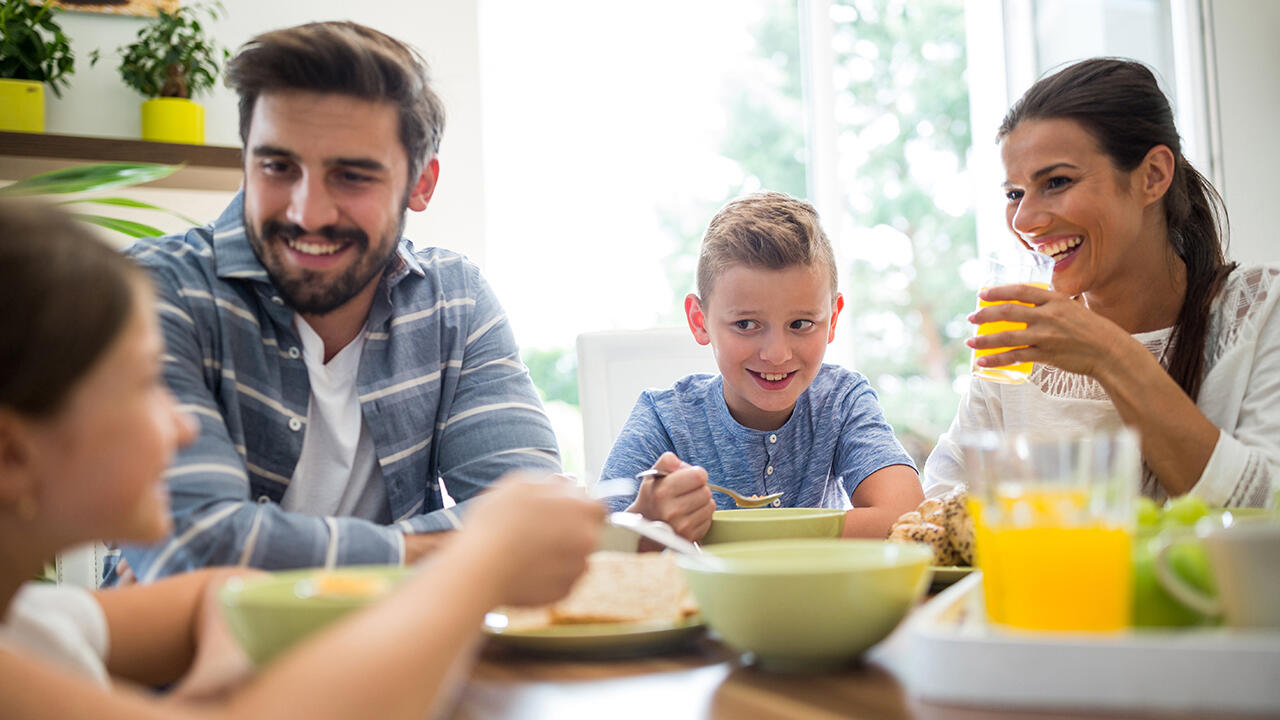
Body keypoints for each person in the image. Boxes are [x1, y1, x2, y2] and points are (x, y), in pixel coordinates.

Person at [0, 199, 604, 719]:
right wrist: (479, 557)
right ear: (11, 456)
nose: (184, 422)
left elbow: (219, 586)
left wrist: (226, 655)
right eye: (142, 387)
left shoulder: (33, 622)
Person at [118, 22, 563, 582]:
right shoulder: (153, 292)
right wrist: (445, 551)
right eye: (277, 167)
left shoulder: (455, 303)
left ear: (421, 184)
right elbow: (191, 548)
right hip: (181, 667)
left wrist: (259, 550)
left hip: (399, 656)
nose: (308, 212)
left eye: (352, 176)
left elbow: (531, 513)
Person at [924, 58, 1280, 507]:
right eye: (1014, 193)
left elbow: (1266, 514)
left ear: (1153, 176)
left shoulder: (1261, 309)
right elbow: (940, 501)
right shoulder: (1022, 342)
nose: (1025, 220)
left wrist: (1108, 355)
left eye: (1056, 181)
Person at [601, 192, 924, 541]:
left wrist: (739, 536)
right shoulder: (664, 417)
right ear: (700, 320)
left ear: (832, 320)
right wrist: (645, 522)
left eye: (800, 324)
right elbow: (593, 549)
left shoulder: (841, 400)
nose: (776, 354)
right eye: (746, 325)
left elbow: (906, 519)